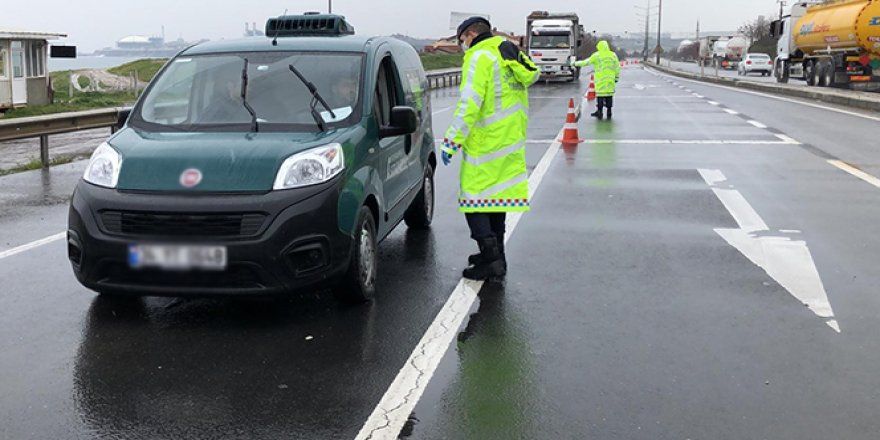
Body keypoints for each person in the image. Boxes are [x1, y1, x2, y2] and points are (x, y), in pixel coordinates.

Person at [441, 16, 539, 281]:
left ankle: (491, 260)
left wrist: (451, 141)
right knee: (496, 201)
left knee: (473, 202)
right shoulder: (507, 51)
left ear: (471, 34)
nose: (462, 45)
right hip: (510, 140)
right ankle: (497, 256)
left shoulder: (479, 57)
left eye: (462, 39)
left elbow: (469, 105)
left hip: (485, 142)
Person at [571, 40, 620, 120]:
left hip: (600, 80)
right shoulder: (613, 55)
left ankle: (599, 112)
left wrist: (575, 63)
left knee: (600, 96)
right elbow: (617, 67)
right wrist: (616, 77)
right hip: (610, 79)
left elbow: (586, 62)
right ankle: (609, 111)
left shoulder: (597, 55)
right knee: (609, 95)